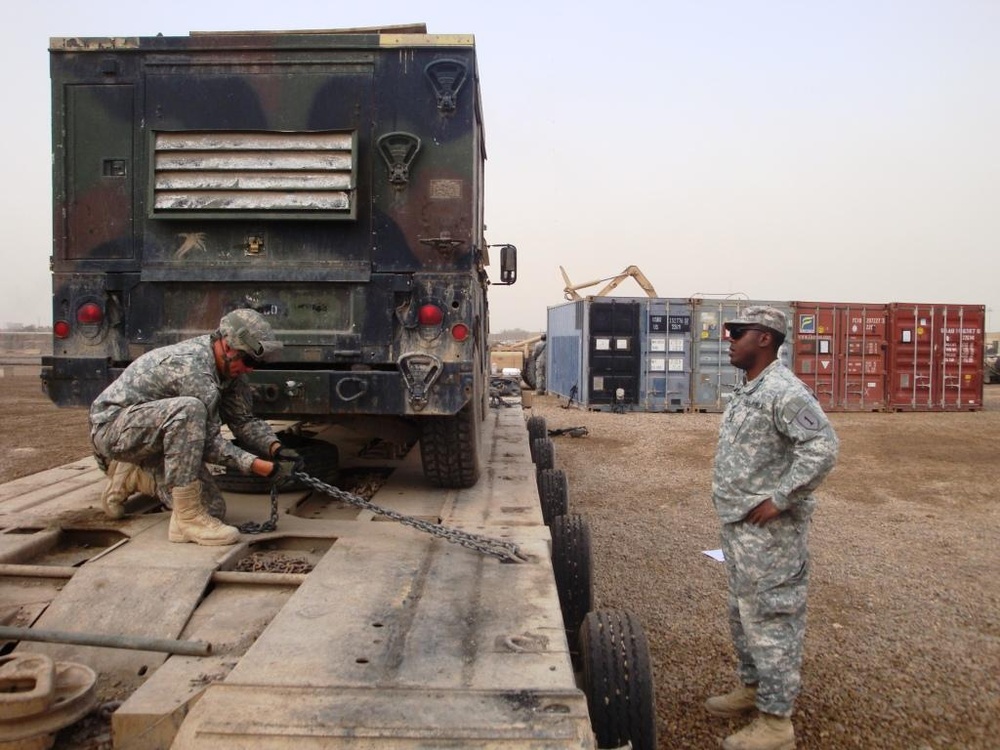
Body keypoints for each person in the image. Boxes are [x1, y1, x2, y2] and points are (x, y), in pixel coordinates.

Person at [707, 306, 839, 750]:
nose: (729, 339)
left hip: (771, 537)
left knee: (772, 620)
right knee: (744, 616)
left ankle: (777, 722)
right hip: (741, 532)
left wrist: (781, 499)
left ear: (764, 338)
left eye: (736, 332)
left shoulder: (785, 390)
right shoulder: (748, 390)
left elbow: (821, 448)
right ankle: (753, 687)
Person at [89, 309, 302, 546]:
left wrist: (276, 449)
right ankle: (186, 521)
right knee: (189, 411)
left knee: (212, 508)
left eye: (256, 362)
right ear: (228, 346)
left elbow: (243, 421)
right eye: (248, 360)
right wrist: (260, 466)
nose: (250, 368)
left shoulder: (230, 372)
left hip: (154, 433)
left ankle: (134, 475)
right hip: (113, 429)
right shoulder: (195, 370)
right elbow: (208, 444)